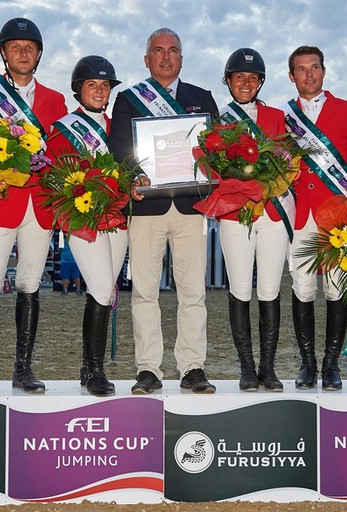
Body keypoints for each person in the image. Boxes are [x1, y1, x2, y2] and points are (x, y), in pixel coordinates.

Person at [0, 17, 67, 398]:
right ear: (4, 52)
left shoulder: (55, 101)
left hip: (39, 205)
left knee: (29, 284)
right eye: (15, 46)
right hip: (1, 200)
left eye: (30, 47)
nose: (23, 52)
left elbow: (60, 152)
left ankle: (23, 369)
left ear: (38, 54)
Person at [108, 28, 219, 394]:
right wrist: (133, 175)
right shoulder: (127, 99)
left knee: (193, 293)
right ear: (147, 59)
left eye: (173, 50)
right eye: (158, 50)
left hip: (191, 207)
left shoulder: (201, 97)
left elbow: (217, 146)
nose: (166, 57)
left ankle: (192, 368)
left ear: (182, 58)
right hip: (146, 208)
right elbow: (119, 148)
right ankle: (148, 370)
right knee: (144, 292)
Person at [282, 45, 347, 391]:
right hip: (300, 216)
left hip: (342, 217)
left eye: (314, 68)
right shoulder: (282, 117)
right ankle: (307, 363)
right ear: (291, 76)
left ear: (324, 71)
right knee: (303, 288)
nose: (308, 74)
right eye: (301, 69)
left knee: (337, 288)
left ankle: (332, 364)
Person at [45, 55, 124, 396]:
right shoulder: (63, 129)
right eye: (92, 84)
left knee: (102, 294)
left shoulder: (117, 127)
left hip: (118, 219)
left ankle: (87, 366)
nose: (99, 90)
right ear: (79, 89)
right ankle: (96, 372)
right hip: (83, 219)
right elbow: (53, 177)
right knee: (103, 287)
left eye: (105, 85)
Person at [215, 48, 292, 392]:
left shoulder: (277, 116)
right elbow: (211, 166)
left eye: (252, 78)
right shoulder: (217, 119)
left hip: (273, 212)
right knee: (240, 289)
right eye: (239, 77)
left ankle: (269, 367)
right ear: (229, 81)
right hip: (235, 213)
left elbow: (289, 161)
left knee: (270, 288)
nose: (245, 83)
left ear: (261, 81)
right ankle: (246, 367)